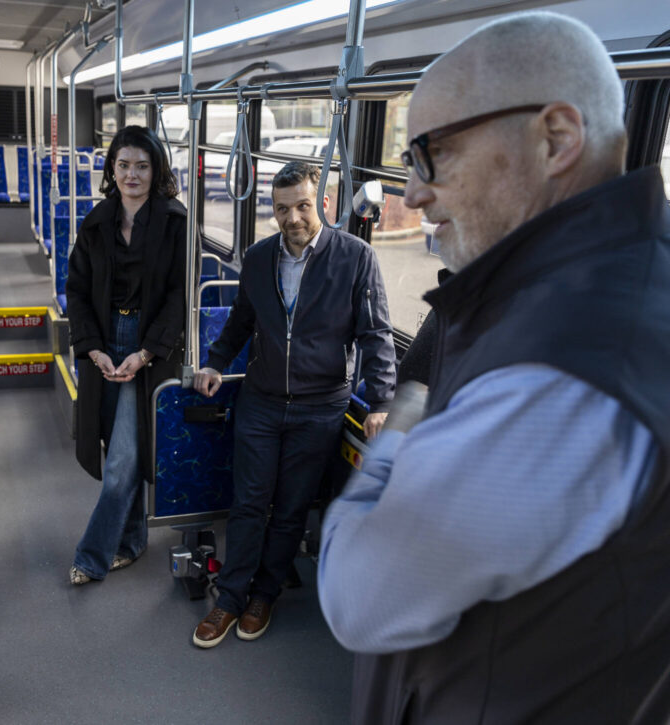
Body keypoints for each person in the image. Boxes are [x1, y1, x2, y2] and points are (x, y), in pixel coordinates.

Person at [318, 12, 670, 723]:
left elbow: (358, 592)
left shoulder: (567, 369)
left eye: (432, 153)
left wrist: (391, 448)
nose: (412, 193)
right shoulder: (597, 289)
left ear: (556, 138)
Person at [191, 161, 396, 648]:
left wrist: (382, 400)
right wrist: (216, 361)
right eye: (283, 209)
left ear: (322, 203)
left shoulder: (355, 258)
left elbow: (376, 333)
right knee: (248, 503)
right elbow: (243, 319)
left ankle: (265, 593)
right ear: (274, 211)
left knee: (290, 509)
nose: (294, 218)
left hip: (320, 406)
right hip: (261, 401)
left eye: (303, 206)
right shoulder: (260, 257)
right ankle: (230, 597)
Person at [66, 125, 187, 584]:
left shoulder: (175, 222)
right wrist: (92, 347)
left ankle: (91, 556)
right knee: (123, 446)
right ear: (111, 169)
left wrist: (146, 352)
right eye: (123, 165)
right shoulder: (97, 222)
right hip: (105, 337)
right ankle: (132, 541)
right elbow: (76, 289)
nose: (132, 174)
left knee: (121, 459)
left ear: (155, 170)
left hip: (149, 341)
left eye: (141, 165)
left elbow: (178, 294)